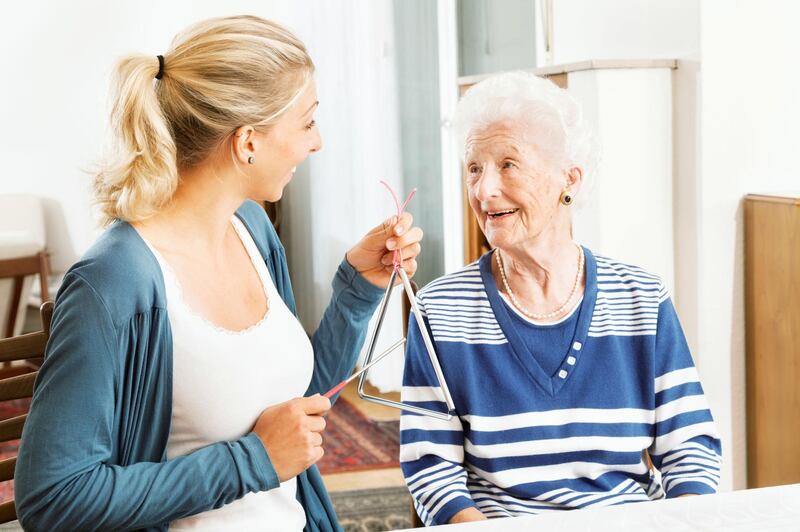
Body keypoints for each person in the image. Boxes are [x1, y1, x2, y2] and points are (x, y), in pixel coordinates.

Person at [15, 15, 423, 531]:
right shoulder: (114, 281)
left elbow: (296, 413)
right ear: (247, 141)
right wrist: (253, 460)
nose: (316, 142)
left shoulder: (252, 228)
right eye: (307, 122)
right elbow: (53, 498)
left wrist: (360, 286)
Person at [399, 71, 721, 525]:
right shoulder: (441, 309)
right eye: (475, 167)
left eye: (507, 164)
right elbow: (431, 468)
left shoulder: (641, 299)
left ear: (568, 178)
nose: (484, 190)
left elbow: (690, 446)